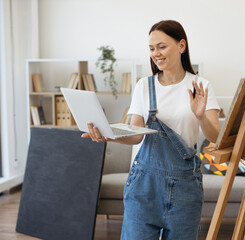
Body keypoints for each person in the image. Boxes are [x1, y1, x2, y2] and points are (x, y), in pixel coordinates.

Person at [82, 20, 220, 239]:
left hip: (185, 187)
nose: (156, 53)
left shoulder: (200, 86)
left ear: (181, 46)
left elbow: (215, 136)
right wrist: (108, 135)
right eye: (152, 48)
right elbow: (135, 135)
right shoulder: (144, 86)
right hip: (144, 186)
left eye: (162, 46)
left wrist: (201, 115)